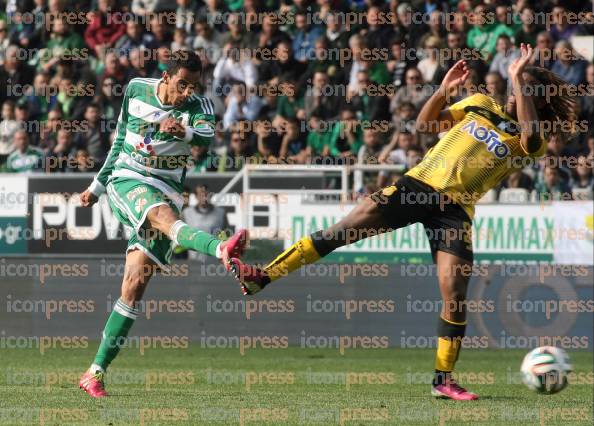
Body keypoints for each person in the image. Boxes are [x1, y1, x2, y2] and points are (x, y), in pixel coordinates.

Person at [229, 45, 577, 401]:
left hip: (454, 212)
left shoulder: (529, 140)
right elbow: (426, 126)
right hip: (417, 186)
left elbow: (532, 135)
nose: (517, 92)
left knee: (454, 295)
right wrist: (442, 91)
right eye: (516, 85)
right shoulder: (479, 105)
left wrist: (520, 77)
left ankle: (443, 380)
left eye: (526, 90)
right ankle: (262, 276)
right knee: (342, 231)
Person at [78, 52, 247, 398]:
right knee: (162, 217)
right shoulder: (137, 89)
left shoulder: (200, 106)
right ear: (166, 77)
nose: (188, 91)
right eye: (182, 83)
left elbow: (203, 138)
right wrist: (97, 186)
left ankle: (94, 372)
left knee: (134, 284)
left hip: (168, 189)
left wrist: (182, 128)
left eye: (194, 85)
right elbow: (121, 139)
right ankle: (220, 248)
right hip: (128, 179)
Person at [181, 184, 231, 261]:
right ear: (196, 196)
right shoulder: (186, 213)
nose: (204, 197)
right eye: (201, 194)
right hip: (193, 262)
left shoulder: (221, 213)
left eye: (206, 194)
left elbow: (227, 236)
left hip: (214, 261)